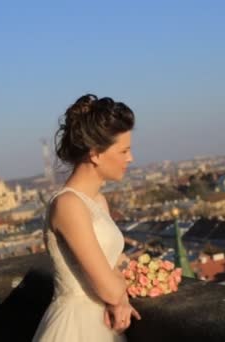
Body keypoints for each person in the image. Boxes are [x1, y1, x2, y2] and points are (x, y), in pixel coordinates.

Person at [32, 94, 141, 342]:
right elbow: (110, 289)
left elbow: (113, 268)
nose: (130, 158)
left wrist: (120, 296)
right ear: (95, 154)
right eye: (124, 150)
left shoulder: (97, 201)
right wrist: (119, 295)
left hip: (100, 323)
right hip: (76, 326)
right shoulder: (68, 205)